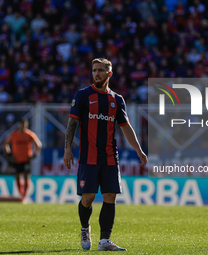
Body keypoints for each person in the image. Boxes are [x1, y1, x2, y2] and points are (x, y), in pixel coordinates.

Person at [63, 58, 147, 251]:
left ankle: (104, 241)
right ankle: (85, 228)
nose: (97, 73)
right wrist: (67, 148)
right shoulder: (83, 95)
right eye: (94, 70)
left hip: (110, 157)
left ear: (109, 74)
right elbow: (72, 124)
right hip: (88, 157)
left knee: (110, 196)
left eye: (101, 70)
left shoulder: (117, 100)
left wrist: (139, 150)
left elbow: (126, 127)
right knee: (88, 198)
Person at [4, 119, 42, 201]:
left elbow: (38, 145)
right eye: (23, 124)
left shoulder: (29, 134)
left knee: (26, 176)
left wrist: (35, 154)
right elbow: (5, 144)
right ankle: (21, 194)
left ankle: (24, 196)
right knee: (17, 176)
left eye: (26, 124)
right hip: (16, 160)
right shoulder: (13, 134)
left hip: (26, 159)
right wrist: (9, 154)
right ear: (19, 124)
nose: (24, 126)